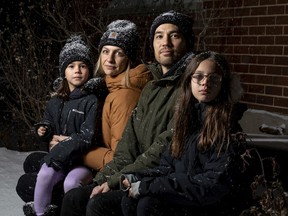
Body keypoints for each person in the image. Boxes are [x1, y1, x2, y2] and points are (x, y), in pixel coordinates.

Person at [60, 10, 195, 216]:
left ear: (187, 42)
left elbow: (161, 150)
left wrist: (113, 179)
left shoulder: (189, 88)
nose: (165, 42)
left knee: (97, 204)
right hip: (133, 171)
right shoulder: (152, 87)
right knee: (74, 197)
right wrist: (101, 179)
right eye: (159, 36)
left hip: (158, 177)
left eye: (174, 35)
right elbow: (126, 148)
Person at [120, 51, 250, 216]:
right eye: (199, 77)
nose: (205, 83)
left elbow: (210, 186)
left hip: (208, 205)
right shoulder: (187, 121)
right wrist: (137, 177)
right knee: (130, 198)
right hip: (185, 197)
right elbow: (166, 167)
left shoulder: (227, 129)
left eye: (214, 78)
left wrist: (148, 186)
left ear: (223, 84)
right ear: (189, 81)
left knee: (149, 203)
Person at [22, 35, 103, 216]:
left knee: (71, 184)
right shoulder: (55, 101)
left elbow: (86, 136)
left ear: (89, 70)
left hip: (82, 161)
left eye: (83, 66)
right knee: (44, 175)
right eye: (71, 66)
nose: (77, 70)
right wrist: (44, 130)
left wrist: (63, 145)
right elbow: (49, 123)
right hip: (59, 160)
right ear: (63, 72)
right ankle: (41, 212)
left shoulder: (91, 101)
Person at [83, 19, 152, 171]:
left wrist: (79, 153)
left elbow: (120, 160)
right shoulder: (109, 86)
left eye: (119, 53)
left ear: (129, 58)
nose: (110, 59)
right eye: (105, 51)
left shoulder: (124, 96)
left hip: (115, 175)